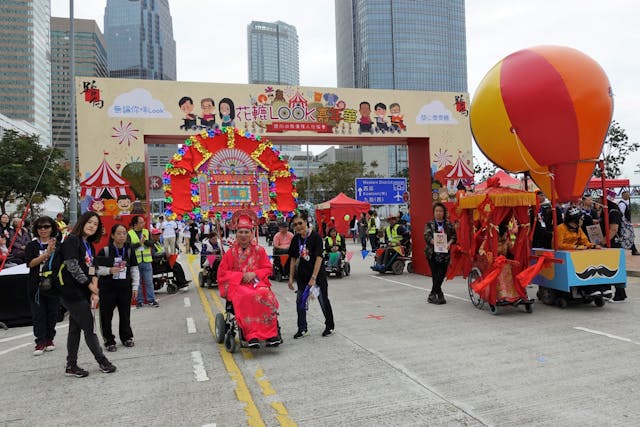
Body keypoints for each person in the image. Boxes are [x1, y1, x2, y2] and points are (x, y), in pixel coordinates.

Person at [59, 212, 116, 377]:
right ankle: (102, 361)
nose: (92, 226)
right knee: (89, 327)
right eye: (89, 222)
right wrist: (91, 286)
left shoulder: (88, 245)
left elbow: (92, 268)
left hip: (83, 291)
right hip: (70, 292)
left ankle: (71, 365)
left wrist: (94, 287)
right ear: (82, 222)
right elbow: (73, 267)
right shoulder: (71, 240)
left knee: (75, 329)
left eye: (96, 224)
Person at [217, 213, 281, 348]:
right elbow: (222, 273)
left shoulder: (259, 250)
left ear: (251, 233)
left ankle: (271, 334)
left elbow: (267, 268)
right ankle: (251, 335)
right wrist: (240, 276)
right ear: (236, 233)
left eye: (246, 232)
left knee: (266, 294)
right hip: (238, 285)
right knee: (247, 296)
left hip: (257, 283)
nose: (243, 235)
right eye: (240, 232)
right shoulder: (230, 253)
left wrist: (254, 273)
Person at [288, 212, 335, 338]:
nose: (298, 226)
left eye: (300, 223)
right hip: (302, 276)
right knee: (300, 301)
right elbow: (293, 259)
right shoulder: (295, 239)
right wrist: (291, 278)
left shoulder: (315, 237)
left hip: (317, 276)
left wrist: (314, 278)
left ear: (306, 222)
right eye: (295, 224)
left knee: (323, 301)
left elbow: (319, 258)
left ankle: (330, 326)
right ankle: (302, 328)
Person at [96, 224, 139, 352]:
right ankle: (109, 340)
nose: (122, 236)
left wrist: (135, 287)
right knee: (106, 316)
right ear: (113, 235)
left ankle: (127, 337)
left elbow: (134, 269)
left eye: (124, 233)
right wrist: (109, 270)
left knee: (125, 314)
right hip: (107, 288)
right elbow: (97, 269)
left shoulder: (129, 250)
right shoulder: (105, 251)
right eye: (119, 233)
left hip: (124, 288)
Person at [25, 216, 61, 356]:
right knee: (38, 315)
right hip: (36, 284)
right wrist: (46, 254)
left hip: (53, 284)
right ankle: (40, 342)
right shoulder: (32, 245)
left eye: (46, 226)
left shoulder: (58, 244)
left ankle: (49, 339)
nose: (43, 229)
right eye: (40, 227)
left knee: (52, 313)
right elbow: (31, 263)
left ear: (52, 228)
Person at [424, 202, 457, 305]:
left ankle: (433, 293)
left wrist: (449, 243)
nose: (439, 213)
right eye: (437, 211)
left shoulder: (448, 224)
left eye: (441, 211)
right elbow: (427, 236)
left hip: (445, 253)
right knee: (435, 274)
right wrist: (434, 242)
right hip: (432, 253)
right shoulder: (429, 224)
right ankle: (439, 294)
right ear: (434, 212)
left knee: (441, 274)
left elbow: (454, 236)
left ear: (444, 212)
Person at [127, 215, 158, 308]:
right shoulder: (130, 233)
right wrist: (139, 243)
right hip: (135, 262)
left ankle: (151, 300)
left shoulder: (146, 232)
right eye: (141, 222)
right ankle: (139, 301)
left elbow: (152, 243)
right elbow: (129, 247)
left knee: (149, 281)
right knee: (138, 283)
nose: (143, 224)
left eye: (143, 222)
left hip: (147, 261)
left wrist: (145, 242)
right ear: (135, 224)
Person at [618, 190, 639, 255]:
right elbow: (621, 214)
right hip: (624, 224)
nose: (628, 196)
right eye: (627, 195)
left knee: (628, 237)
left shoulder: (625, 203)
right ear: (623, 196)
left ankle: (633, 249)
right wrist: (625, 223)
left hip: (625, 224)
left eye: (629, 194)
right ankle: (634, 250)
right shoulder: (622, 204)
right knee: (630, 236)